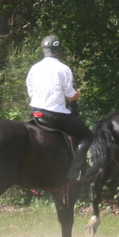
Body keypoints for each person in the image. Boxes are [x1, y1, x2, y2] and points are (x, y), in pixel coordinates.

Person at [27, 34, 93, 182]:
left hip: (35, 112)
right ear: (58, 51)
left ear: (43, 50)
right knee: (87, 135)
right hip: (55, 114)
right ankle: (74, 171)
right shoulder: (63, 68)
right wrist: (76, 96)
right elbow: (69, 96)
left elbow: (31, 92)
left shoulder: (34, 68)